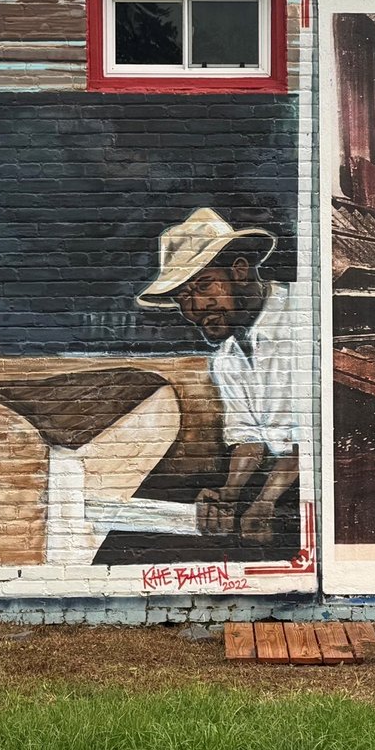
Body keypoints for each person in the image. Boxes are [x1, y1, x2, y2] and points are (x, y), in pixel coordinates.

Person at [137, 208, 299, 549]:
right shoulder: (226, 358)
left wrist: (266, 501)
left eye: (204, 285)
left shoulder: (301, 319)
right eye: (183, 298)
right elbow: (250, 438)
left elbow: (312, 442)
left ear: (239, 270)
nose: (196, 307)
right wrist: (229, 492)